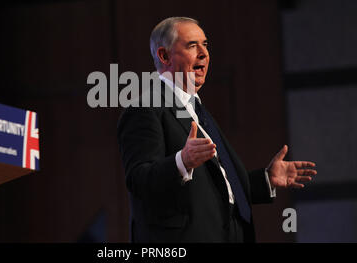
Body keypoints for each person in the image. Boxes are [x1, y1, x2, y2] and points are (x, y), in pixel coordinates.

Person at [117, 17, 317, 242]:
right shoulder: (145, 109)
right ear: (164, 56)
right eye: (192, 45)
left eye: (205, 44)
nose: (204, 53)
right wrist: (182, 161)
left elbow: (217, 186)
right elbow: (139, 179)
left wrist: (266, 180)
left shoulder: (198, 110)